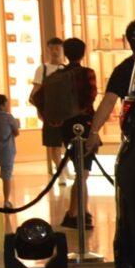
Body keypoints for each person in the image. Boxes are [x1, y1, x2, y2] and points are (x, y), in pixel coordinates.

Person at [47, 38, 98, 231]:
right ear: (83, 53)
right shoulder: (87, 73)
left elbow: (38, 98)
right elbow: (90, 97)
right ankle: (74, 213)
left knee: (81, 172)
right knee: (83, 172)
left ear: (65, 53)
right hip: (84, 125)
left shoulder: (58, 75)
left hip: (66, 127)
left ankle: (81, 211)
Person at [91, 19, 135, 140]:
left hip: (132, 129)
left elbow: (109, 101)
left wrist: (94, 132)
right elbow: (109, 102)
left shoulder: (123, 69)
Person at [28, 37, 67, 181]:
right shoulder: (42, 69)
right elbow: (34, 94)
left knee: (67, 143)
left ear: (62, 50)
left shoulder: (66, 69)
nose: (55, 51)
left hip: (66, 112)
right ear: (47, 50)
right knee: (53, 144)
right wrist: (40, 110)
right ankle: (61, 173)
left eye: (57, 48)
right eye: (52, 48)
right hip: (50, 113)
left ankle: (64, 168)